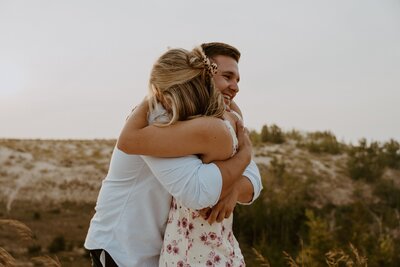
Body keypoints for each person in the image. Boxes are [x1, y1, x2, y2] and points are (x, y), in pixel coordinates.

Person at [85, 45, 261, 267]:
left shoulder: (212, 118)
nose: (235, 87)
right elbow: (197, 191)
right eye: (227, 76)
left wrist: (232, 189)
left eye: (237, 80)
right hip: (124, 249)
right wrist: (243, 157)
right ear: (203, 76)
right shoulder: (160, 116)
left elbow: (254, 179)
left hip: (164, 251)